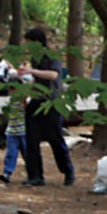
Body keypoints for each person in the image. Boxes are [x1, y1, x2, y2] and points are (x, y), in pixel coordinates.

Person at [18, 26, 75, 187]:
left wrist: (32, 71)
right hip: (36, 102)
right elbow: (35, 80)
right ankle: (35, 176)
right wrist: (25, 91)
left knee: (55, 139)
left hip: (51, 103)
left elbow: (53, 75)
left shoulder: (52, 56)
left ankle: (68, 171)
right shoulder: (35, 59)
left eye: (29, 42)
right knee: (31, 140)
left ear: (38, 42)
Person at [0, 68, 27, 184]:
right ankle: (7, 173)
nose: (12, 91)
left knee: (27, 154)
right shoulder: (10, 101)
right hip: (12, 132)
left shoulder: (25, 100)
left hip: (24, 131)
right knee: (11, 153)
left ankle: (31, 173)